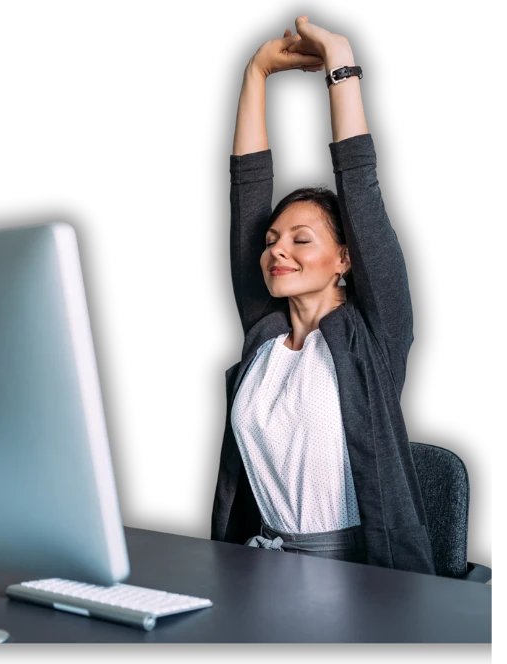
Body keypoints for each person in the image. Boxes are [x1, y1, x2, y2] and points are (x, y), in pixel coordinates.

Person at [211, 15, 435, 574]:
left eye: (301, 240)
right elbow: (247, 186)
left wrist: (339, 58)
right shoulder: (263, 335)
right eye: (271, 242)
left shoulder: (372, 335)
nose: (277, 251)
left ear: (344, 259)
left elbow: (359, 184)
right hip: (260, 568)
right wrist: (256, 73)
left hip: (360, 575)